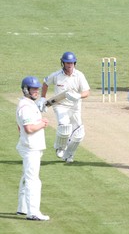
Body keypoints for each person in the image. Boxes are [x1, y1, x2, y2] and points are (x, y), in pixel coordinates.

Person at [37, 51, 90, 163]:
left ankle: (69, 155)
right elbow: (45, 83)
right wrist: (42, 98)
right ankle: (60, 147)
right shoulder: (57, 75)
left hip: (75, 107)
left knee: (79, 134)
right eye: (67, 63)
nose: (69, 65)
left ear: (74, 63)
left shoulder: (79, 75)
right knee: (65, 126)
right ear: (63, 63)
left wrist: (78, 96)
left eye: (71, 62)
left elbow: (87, 92)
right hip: (60, 105)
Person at [16, 76, 50, 221]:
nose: (36, 91)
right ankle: (33, 212)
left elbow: (21, 128)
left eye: (37, 89)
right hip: (31, 147)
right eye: (33, 89)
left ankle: (22, 208)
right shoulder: (25, 107)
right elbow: (29, 128)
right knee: (33, 180)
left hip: (30, 145)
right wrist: (42, 123)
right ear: (26, 90)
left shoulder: (28, 104)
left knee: (26, 177)